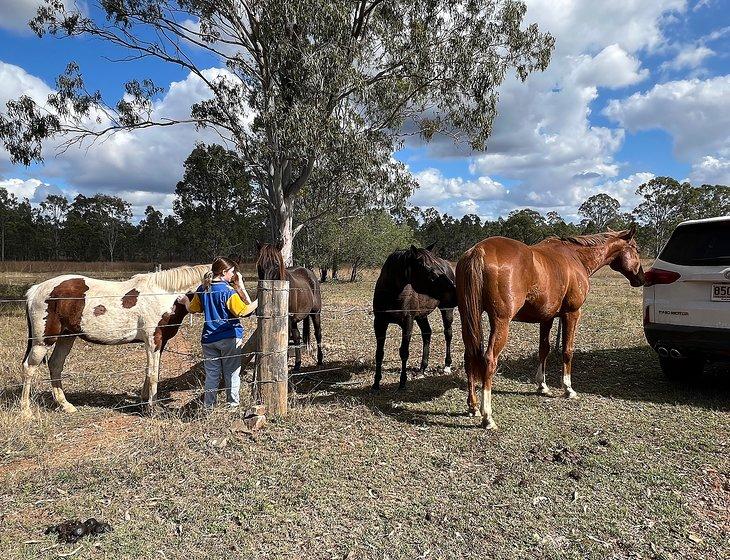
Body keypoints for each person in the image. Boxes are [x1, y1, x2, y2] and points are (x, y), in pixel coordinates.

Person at [178, 257, 257, 410]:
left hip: (208, 339)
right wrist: (260, 300)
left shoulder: (202, 289)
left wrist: (185, 302)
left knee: (212, 375)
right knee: (232, 373)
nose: (233, 275)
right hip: (229, 338)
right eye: (232, 272)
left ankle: (209, 406)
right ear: (224, 272)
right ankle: (232, 405)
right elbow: (243, 311)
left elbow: (193, 309)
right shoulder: (228, 292)